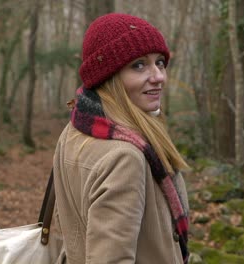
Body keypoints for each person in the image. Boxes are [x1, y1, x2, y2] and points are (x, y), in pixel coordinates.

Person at [52, 13, 190, 264]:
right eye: (139, 65)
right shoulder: (124, 158)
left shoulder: (75, 128)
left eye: (159, 62)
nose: (158, 76)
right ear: (108, 77)